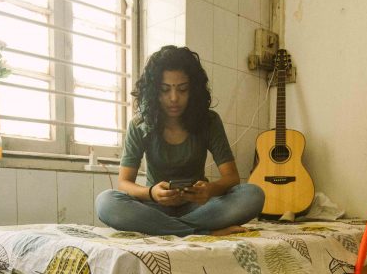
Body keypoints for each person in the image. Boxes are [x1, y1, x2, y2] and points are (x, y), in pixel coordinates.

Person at [96, 45, 264, 236]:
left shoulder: (209, 121)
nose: (174, 98)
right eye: (165, 90)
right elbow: (124, 183)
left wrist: (209, 190)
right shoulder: (139, 124)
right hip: (154, 208)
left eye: (183, 89)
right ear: (153, 91)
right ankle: (201, 232)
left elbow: (231, 177)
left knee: (253, 195)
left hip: (200, 208)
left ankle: (167, 229)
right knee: (105, 202)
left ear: (193, 90)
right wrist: (152, 193)